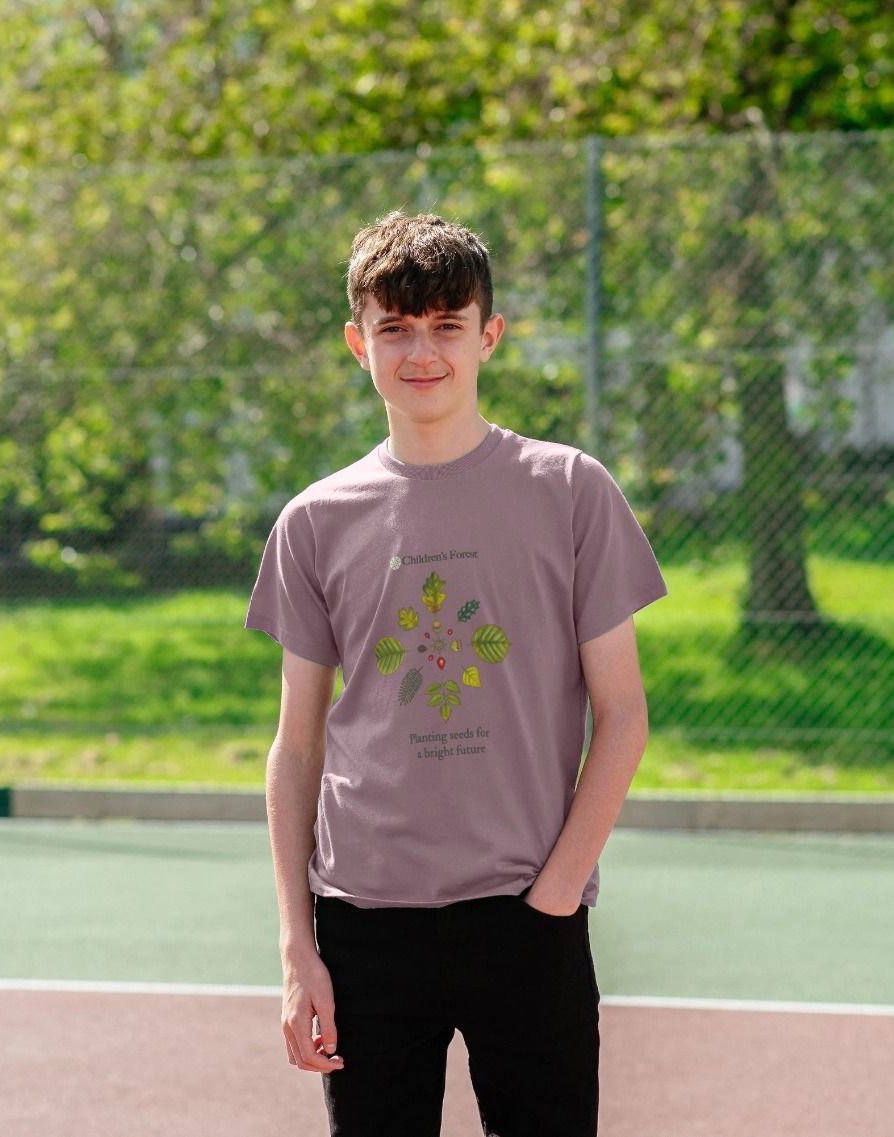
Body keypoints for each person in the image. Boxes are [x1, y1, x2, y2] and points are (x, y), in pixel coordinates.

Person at [244, 211, 667, 1137]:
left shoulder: (569, 490)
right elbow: (297, 743)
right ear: (358, 343)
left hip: (526, 912)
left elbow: (624, 713)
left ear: (489, 334)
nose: (420, 349)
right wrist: (297, 948)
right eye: (394, 327)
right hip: (364, 922)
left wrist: (555, 893)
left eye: (445, 323)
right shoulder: (316, 520)